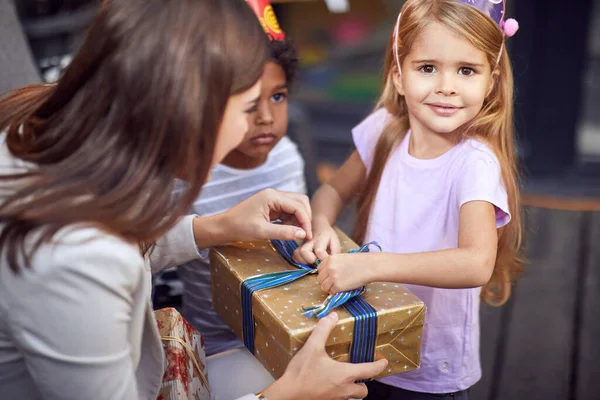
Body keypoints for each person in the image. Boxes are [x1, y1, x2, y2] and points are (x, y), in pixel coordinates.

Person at [0, 0, 387, 399]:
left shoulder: (55, 134)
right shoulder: (76, 259)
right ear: (193, 112)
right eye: (248, 107)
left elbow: (125, 244)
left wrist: (217, 226)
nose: (253, 126)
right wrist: (289, 395)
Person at [293, 0, 522, 399]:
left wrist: (370, 266)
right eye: (427, 68)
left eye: (466, 70)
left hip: (428, 368)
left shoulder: (474, 164)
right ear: (399, 75)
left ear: (491, 80)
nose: (446, 86)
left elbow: (476, 262)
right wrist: (323, 225)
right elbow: (331, 190)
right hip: (363, 337)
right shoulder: (386, 129)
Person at [177, 37, 305, 357]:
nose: (265, 116)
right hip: (215, 344)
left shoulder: (287, 156)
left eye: (278, 96)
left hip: (286, 330)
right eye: (247, 101)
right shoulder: (184, 176)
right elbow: (146, 253)